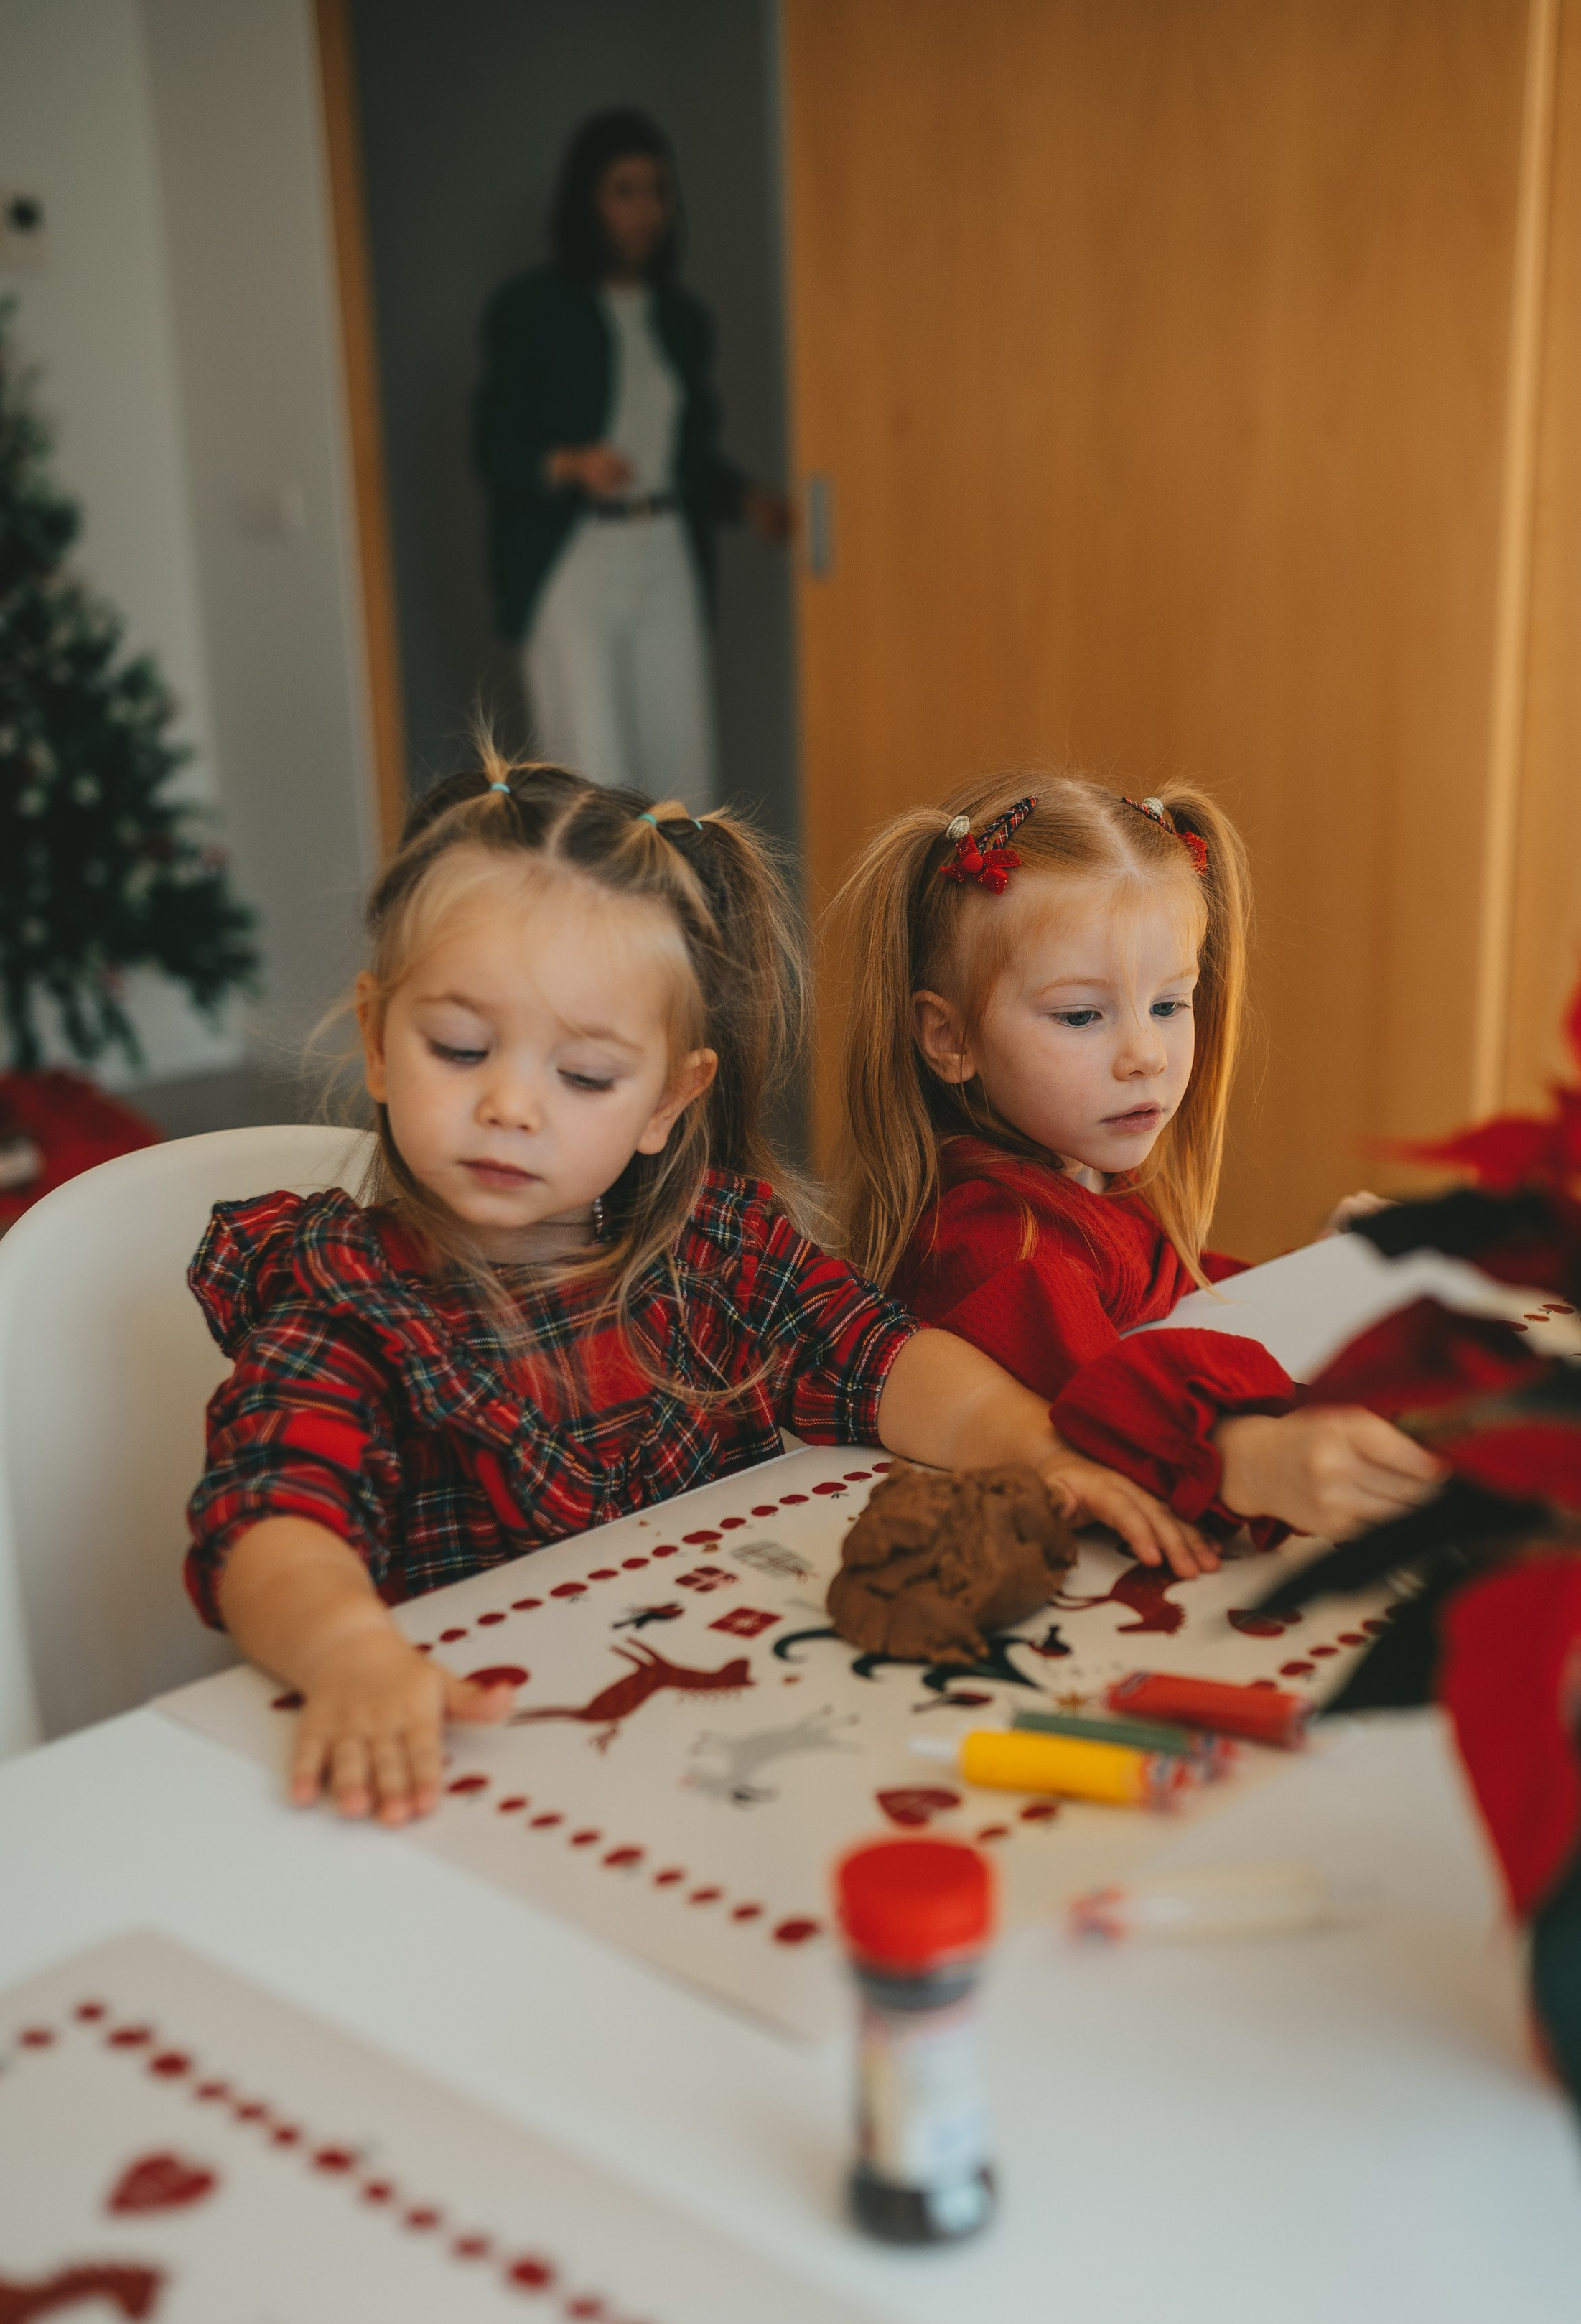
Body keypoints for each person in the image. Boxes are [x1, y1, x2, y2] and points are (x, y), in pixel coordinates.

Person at [184, 755, 1205, 1827]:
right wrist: (348, 1652)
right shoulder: (341, 1305)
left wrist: (1037, 1449)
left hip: (713, 1765)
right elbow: (273, 1523)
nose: (511, 1106)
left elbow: (887, 1362)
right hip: (473, 1769)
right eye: (460, 1048)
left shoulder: (718, 1258)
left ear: (671, 1099)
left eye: (584, 1075)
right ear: (379, 1041)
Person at [831, 773, 1444, 1541]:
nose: (1145, 1055)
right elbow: (1117, 1400)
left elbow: (1179, 1310)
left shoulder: (1095, 1179)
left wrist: (1319, 1275)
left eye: (1168, 1003)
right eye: (1082, 1014)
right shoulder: (992, 1241)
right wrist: (1253, 1452)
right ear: (949, 1038)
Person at [471, 108, 788, 806]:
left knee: (683, 762)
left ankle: (686, 915)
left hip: (665, 549)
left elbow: (691, 456)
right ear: (588, 199)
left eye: (658, 191)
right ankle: (600, 916)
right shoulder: (531, 308)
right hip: (573, 557)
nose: (647, 209)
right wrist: (566, 462)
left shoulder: (681, 317)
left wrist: (748, 501)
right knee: (591, 770)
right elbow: (494, 444)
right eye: (626, 190)